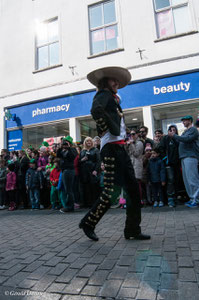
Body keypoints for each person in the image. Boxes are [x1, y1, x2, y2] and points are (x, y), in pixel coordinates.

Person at [79, 66, 150, 241]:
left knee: (133, 189)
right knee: (111, 191)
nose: (117, 83)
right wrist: (106, 128)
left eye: (117, 81)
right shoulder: (103, 94)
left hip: (119, 148)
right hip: (111, 148)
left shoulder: (112, 98)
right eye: (114, 80)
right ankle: (89, 223)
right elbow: (96, 110)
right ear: (105, 82)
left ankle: (132, 229)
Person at [168, 115, 199, 208]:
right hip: (184, 157)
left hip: (191, 156)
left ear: (190, 121)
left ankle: (196, 199)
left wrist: (175, 135)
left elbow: (187, 139)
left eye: (184, 121)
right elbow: (180, 142)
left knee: (192, 179)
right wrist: (173, 137)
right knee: (187, 180)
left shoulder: (193, 130)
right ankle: (192, 198)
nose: (183, 123)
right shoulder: (185, 132)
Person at [158, 125, 180, 207]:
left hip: (177, 163)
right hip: (168, 164)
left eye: (174, 130)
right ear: (168, 131)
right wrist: (165, 159)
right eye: (171, 130)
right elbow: (160, 148)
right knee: (171, 179)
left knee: (176, 180)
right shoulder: (165, 138)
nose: (173, 131)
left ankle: (175, 197)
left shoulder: (178, 138)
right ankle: (170, 198)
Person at [57, 136, 78, 212]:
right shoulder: (63, 150)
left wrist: (69, 147)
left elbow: (73, 156)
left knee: (69, 189)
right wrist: (60, 147)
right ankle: (69, 206)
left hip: (69, 171)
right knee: (67, 189)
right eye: (64, 142)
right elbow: (58, 155)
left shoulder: (73, 149)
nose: (65, 144)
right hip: (64, 171)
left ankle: (70, 207)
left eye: (66, 142)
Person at [79, 137, 101, 207]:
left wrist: (96, 170)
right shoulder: (82, 151)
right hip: (84, 171)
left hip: (92, 170)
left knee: (93, 187)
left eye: (90, 141)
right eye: (87, 141)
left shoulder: (95, 150)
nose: (89, 142)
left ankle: (94, 203)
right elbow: (79, 162)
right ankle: (87, 203)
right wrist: (82, 160)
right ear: (85, 142)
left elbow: (98, 161)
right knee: (86, 188)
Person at [125, 129, 144, 202]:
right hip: (130, 165)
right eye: (130, 134)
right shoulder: (130, 143)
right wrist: (127, 145)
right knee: (131, 184)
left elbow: (136, 154)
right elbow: (127, 153)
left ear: (137, 134)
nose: (131, 136)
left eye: (133, 134)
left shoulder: (139, 143)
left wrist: (131, 144)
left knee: (137, 183)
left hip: (137, 165)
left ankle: (139, 200)